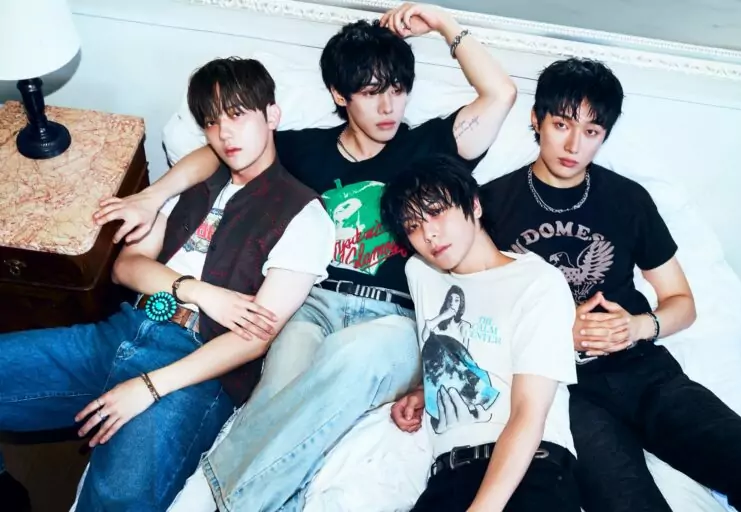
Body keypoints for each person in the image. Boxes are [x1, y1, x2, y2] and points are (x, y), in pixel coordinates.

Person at [92, 4, 517, 511]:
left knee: (354, 356)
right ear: (339, 95)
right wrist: (152, 194)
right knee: (278, 391)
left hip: (396, 316)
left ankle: (227, 501)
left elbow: (501, 94)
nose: (389, 107)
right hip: (313, 305)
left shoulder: (428, 147)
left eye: (398, 90)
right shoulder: (302, 151)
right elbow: (217, 152)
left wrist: (444, 22)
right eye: (371, 92)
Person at [0, 57, 334, 512]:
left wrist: (150, 386)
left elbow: (253, 339)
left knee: (120, 496)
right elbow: (127, 267)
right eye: (212, 122)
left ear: (272, 115)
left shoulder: (304, 214)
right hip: (123, 330)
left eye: (238, 115)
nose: (225, 134)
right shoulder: (196, 179)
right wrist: (198, 291)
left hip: (194, 370)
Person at [479, 57, 741, 512]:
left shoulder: (627, 199)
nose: (574, 145)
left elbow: (681, 302)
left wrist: (639, 327)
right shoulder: (492, 204)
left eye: (591, 131)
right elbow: (478, 317)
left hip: (644, 371)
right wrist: (558, 334)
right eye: (562, 125)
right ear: (536, 120)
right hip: (564, 389)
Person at [379, 156, 580, 511]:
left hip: (529, 470)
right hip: (447, 478)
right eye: (412, 226)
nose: (428, 234)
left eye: (437, 212)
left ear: (474, 205)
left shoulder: (537, 282)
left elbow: (529, 412)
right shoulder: (421, 273)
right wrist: (426, 389)